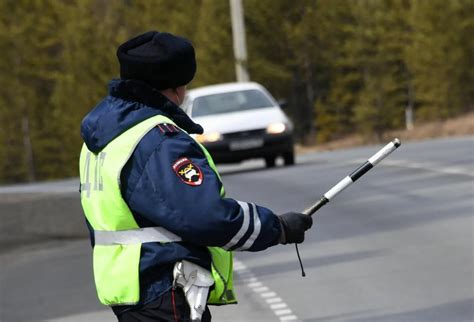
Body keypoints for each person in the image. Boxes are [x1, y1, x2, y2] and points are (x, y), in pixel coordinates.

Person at [79, 30, 312, 322]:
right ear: (177, 87)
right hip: (164, 287)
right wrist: (277, 227)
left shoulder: (102, 137)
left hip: (127, 287)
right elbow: (207, 216)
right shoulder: (158, 140)